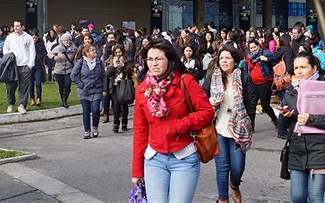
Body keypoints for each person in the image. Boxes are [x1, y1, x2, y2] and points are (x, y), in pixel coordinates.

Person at [131, 39, 215, 202]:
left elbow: (207, 111)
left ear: (169, 60)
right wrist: (137, 170)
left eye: (158, 59)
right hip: (154, 159)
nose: (153, 63)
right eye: (150, 59)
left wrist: (179, 125)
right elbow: (140, 132)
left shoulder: (186, 81)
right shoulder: (143, 90)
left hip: (184, 159)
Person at [279, 53, 325, 203]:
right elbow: (282, 127)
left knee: (315, 198)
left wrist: (311, 119)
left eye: (303, 67)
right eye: (296, 68)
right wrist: (285, 116)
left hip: (320, 147)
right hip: (296, 147)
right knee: (297, 197)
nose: (299, 71)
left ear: (314, 68)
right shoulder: (291, 91)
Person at [202, 44, 257, 203]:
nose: (224, 61)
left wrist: (248, 125)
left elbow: (251, 102)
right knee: (221, 168)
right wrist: (209, 103)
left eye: (227, 58)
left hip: (239, 128)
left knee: (237, 168)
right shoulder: (212, 77)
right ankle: (223, 199)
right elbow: (202, 99)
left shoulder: (243, 77)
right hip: (218, 128)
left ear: (235, 60)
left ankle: (234, 185)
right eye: (221, 58)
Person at [70, 44, 107, 138]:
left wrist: (104, 89)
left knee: (95, 110)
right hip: (84, 91)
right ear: (87, 53)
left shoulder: (99, 62)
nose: (95, 51)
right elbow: (73, 75)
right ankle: (87, 131)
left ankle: (95, 127)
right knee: (86, 111)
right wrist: (81, 85)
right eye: (92, 50)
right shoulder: (81, 62)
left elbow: (103, 76)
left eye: (95, 50)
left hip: (97, 90)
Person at [2, 20, 35, 114]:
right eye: (14, 26)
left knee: (24, 87)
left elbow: (32, 51)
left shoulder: (28, 37)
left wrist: (30, 64)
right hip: (12, 66)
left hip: (25, 66)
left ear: (22, 27)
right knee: (10, 87)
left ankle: (22, 105)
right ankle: (10, 104)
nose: (15, 28)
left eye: (17, 26)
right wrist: (9, 56)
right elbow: (5, 49)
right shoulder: (9, 37)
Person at [244, 39, 278, 129]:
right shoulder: (248, 57)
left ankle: (275, 120)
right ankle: (251, 125)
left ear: (258, 46)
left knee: (265, 105)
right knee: (251, 105)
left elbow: (276, 58)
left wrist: (267, 59)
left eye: (254, 47)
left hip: (265, 82)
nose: (253, 49)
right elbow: (247, 69)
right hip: (253, 83)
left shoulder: (265, 53)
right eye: (251, 48)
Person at [106, 44, 134, 132]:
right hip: (114, 85)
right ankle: (116, 123)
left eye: (119, 52)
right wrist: (113, 67)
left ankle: (124, 123)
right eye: (116, 52)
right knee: (116, 104)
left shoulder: (127, 60)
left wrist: (124, 66)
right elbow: (107, 74)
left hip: (124, 84)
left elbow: (131, 72)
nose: (118, 54)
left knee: (124, 103)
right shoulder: (110, 60)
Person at [48, 33, 77, 108]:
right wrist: (54, 57)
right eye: (65, 40)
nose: (67, 42)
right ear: (62, 41)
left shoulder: (74, 48)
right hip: (59, 70)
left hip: (69, 70)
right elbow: (49, 54)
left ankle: (65, 100)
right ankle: (62, 100)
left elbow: (76, 58)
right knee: (61, 87)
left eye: (68, 40)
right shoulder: (58, 48)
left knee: (67, 85)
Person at [29, 29, 48, 106]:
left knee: (38, 82)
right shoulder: (28, 44)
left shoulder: (40, 44)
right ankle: (32, 98)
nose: (34, 40)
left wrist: (41, 57)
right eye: (33, 38)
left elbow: (45, 53)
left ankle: (39, 98)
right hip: (30, 65)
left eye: (35, 38)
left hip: (38, 65)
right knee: (30, 84)